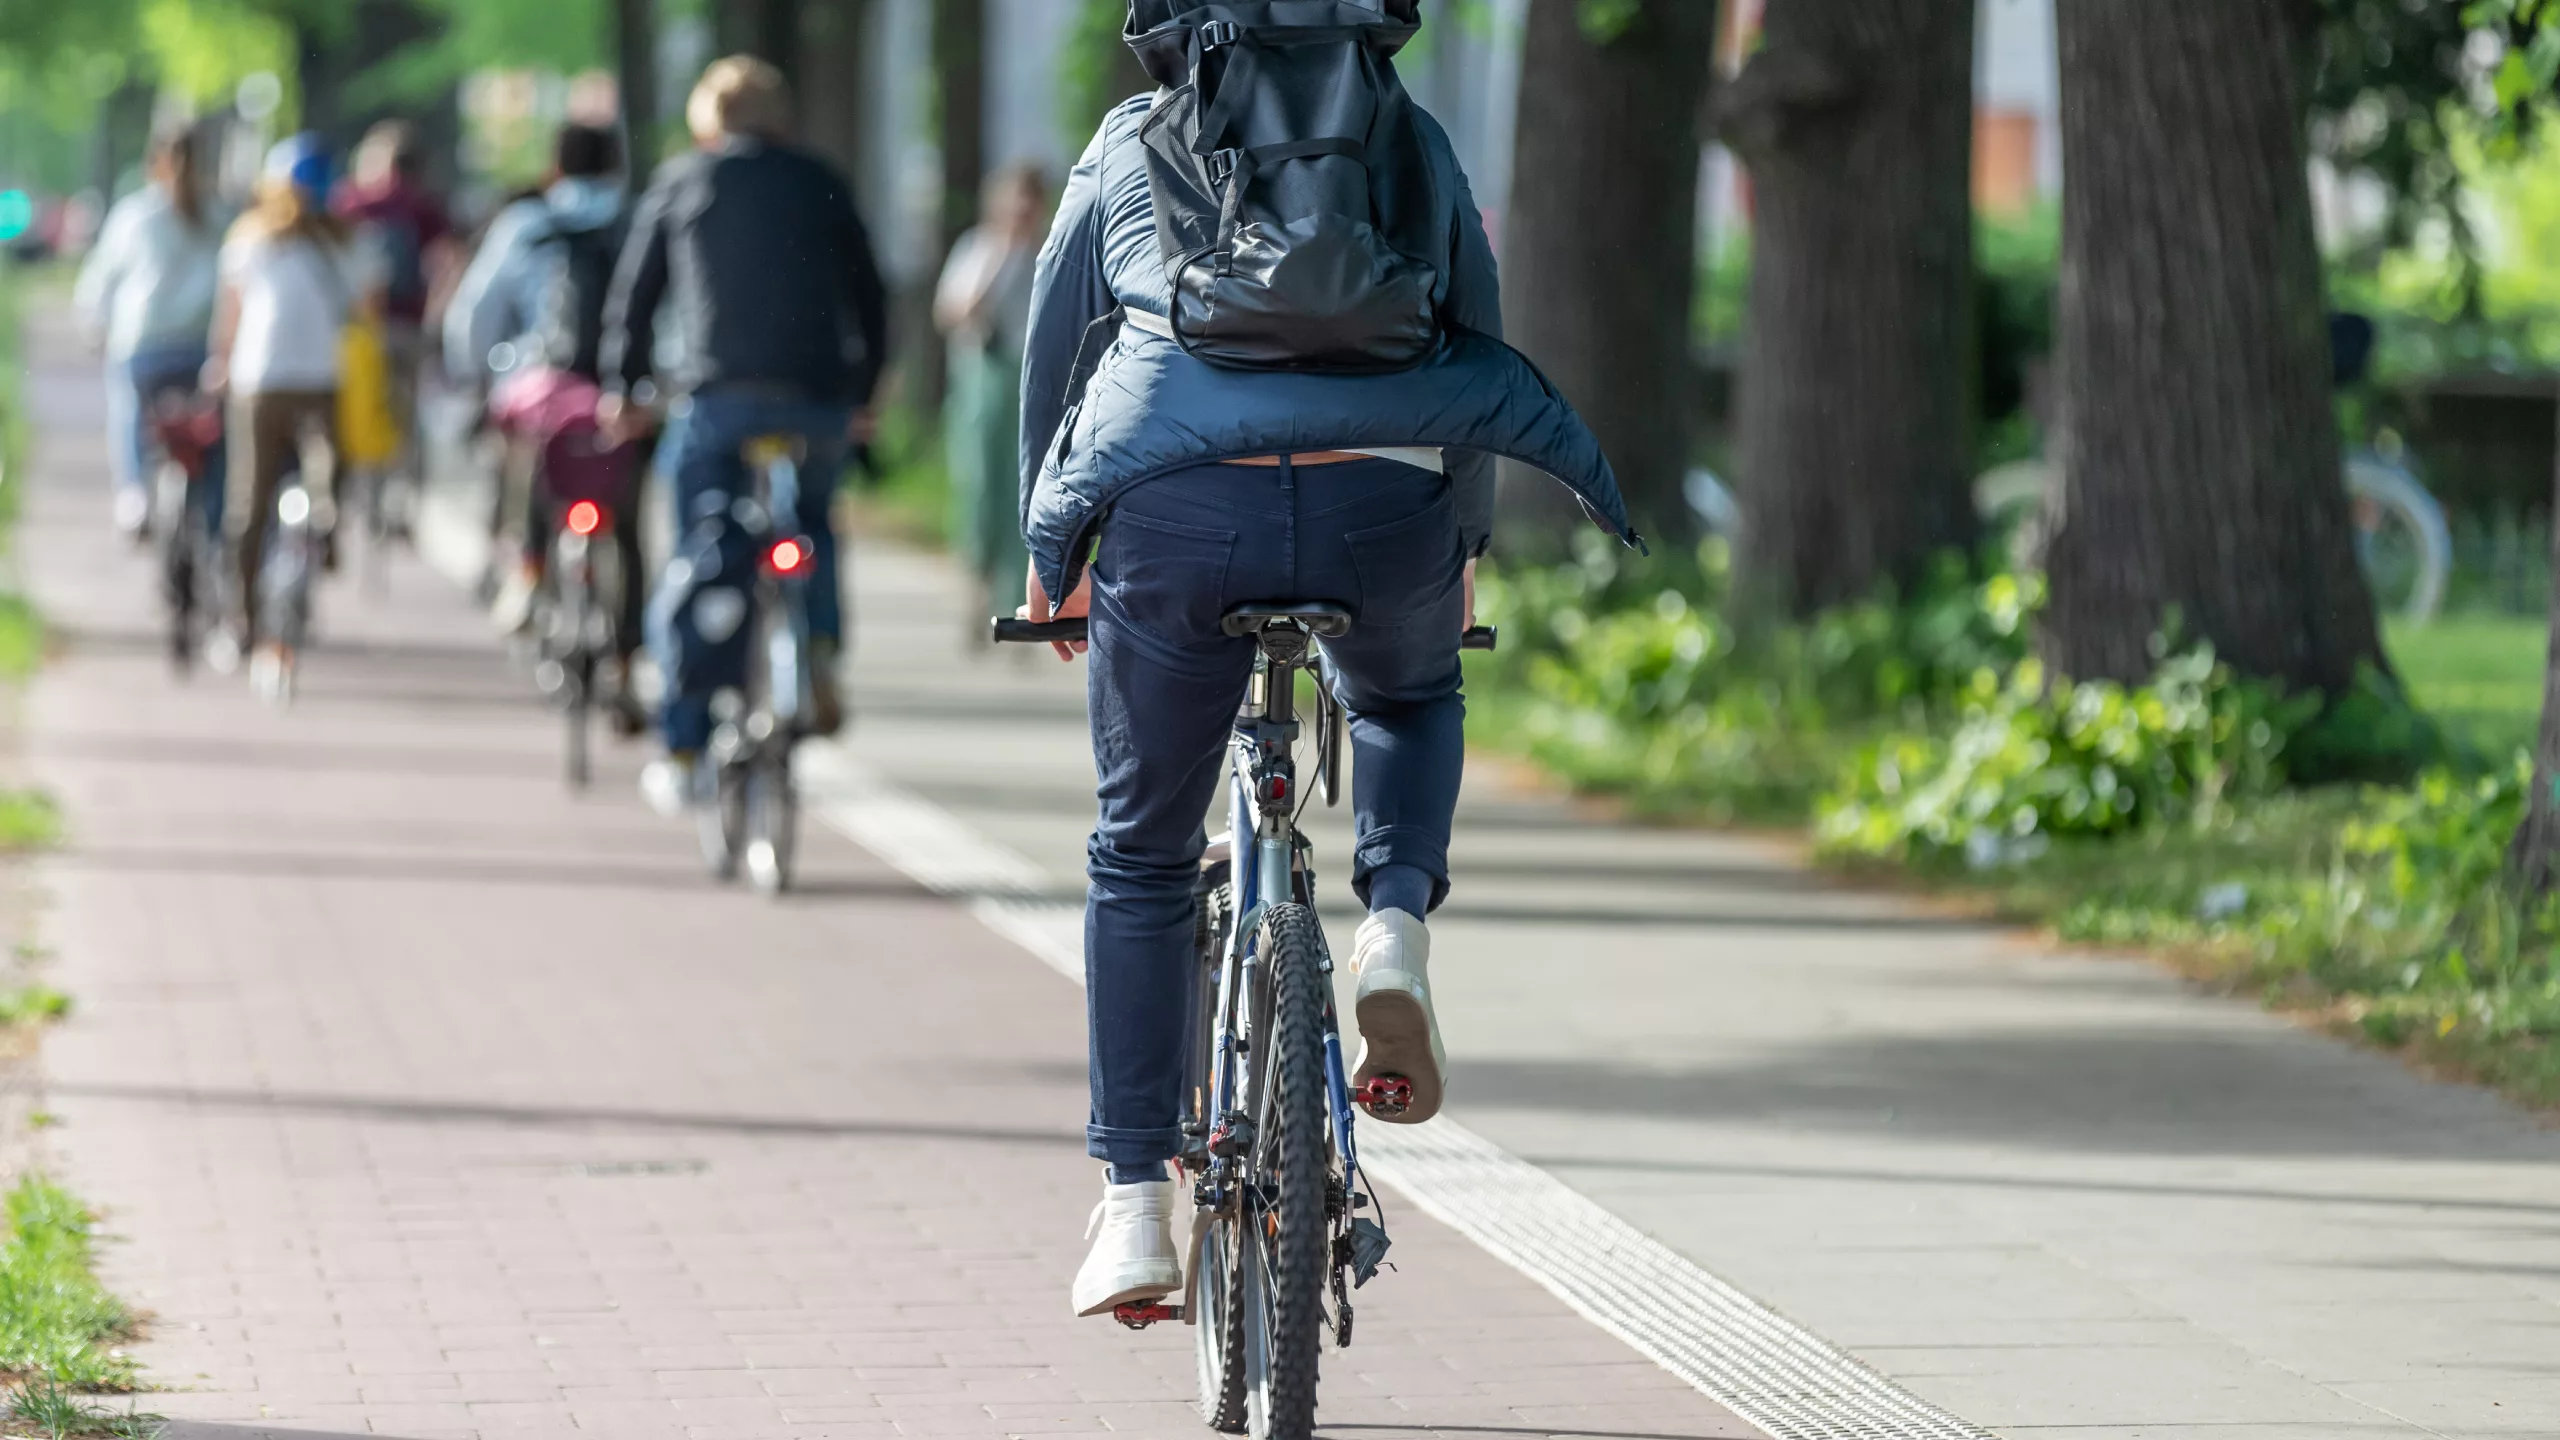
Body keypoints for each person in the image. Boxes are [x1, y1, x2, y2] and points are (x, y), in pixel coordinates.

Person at [1016, 2, 1629, 1318]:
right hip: (1386, 496)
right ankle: (1393, 924)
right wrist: (1459, 534)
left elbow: (1056, 347)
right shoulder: (1410, 141)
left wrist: (1048, 547)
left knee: (1140, 851)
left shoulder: (1130, 142)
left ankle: (1134, 1205)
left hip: (1178, 503)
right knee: (1409, 686)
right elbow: (1474, 322)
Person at [600, 56, 890, 817]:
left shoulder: (683, 181)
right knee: (812, 522)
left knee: (704, 546)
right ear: (780, 116)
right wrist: (863, 394)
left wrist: (622, 387)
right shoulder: (821, 178)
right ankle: (818, 645)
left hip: (717, 400)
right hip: (818, 403)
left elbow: (636, 296)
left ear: (707, 120)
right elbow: (870, 288)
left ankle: (687, 742)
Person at [444, 123, 647, 728]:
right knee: (631, 529)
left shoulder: (525, 225)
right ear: (614, 166)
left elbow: (475, 316)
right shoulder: (637, 221)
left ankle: (528, 569)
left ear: (555, 167)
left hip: (542, 383)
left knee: (531, 466)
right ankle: (627, 665)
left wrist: (482, 379)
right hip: (618, 396)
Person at [206, 134, 376, 678]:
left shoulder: (250, 239)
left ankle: (242, 621)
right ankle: (322, 541)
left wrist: (221, 363)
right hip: (323, 383)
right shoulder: (346, 244)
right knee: (329, 478)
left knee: (248, 503)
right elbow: (367, 311)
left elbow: (229, 318)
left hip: (259, 384)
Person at [74, 125, 227, 540]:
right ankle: (216, 515)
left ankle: (134, 492)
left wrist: (93, 323)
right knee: (216, 430)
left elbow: (101, 278)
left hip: (144, 344)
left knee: (128, 405)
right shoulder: (221, 214)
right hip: (204, 346)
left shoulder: (135, 213)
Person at [934, 163, 1046, 633]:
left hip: (1032, 382)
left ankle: (1015, 599)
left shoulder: (1051, 253)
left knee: (1023, 495)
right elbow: (953, 312)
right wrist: (1002, 254)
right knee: (980, 489)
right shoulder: (978, 248)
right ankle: (976, 587)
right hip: (983, 378)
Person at [332, 119, 454, 513]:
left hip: (360, 329)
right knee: (408, 409)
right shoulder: (424, 204)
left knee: (358, 407)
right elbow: (449, 260)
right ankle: (405, 495)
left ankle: (356, 492)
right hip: (410, 324)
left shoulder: (351, 202)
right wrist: (436, 310)